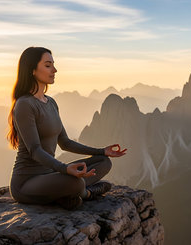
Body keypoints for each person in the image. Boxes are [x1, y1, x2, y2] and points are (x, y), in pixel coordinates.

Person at [7, 47, 126, 210]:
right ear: (32, 70)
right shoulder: (24, 105)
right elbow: (34, 150)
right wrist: (64, 169)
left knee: (104, 162)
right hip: (27, 183)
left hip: (51, 175)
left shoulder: (51, 103)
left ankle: (64, 196)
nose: (54, 70)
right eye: (48, 65)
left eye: (53, 65)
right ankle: (86, 194)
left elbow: (65, 142)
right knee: (75, 182)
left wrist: (102, 151)